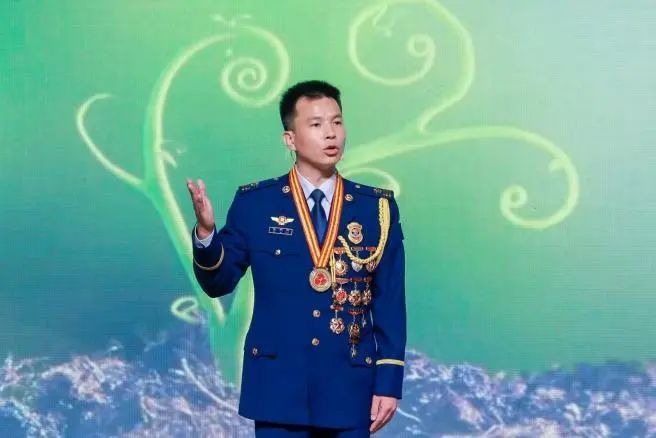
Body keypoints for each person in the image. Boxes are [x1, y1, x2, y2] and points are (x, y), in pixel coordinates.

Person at [186, 80, 406, 437]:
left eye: (337, 122)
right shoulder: (257, 204)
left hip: (349, 387)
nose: (331, 134)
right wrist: (206, 232)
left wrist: (389, 382)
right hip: (278, 388)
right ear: (290, 139)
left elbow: (390, 303)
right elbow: (218, 282)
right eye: (316, 124)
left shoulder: (375, 209)